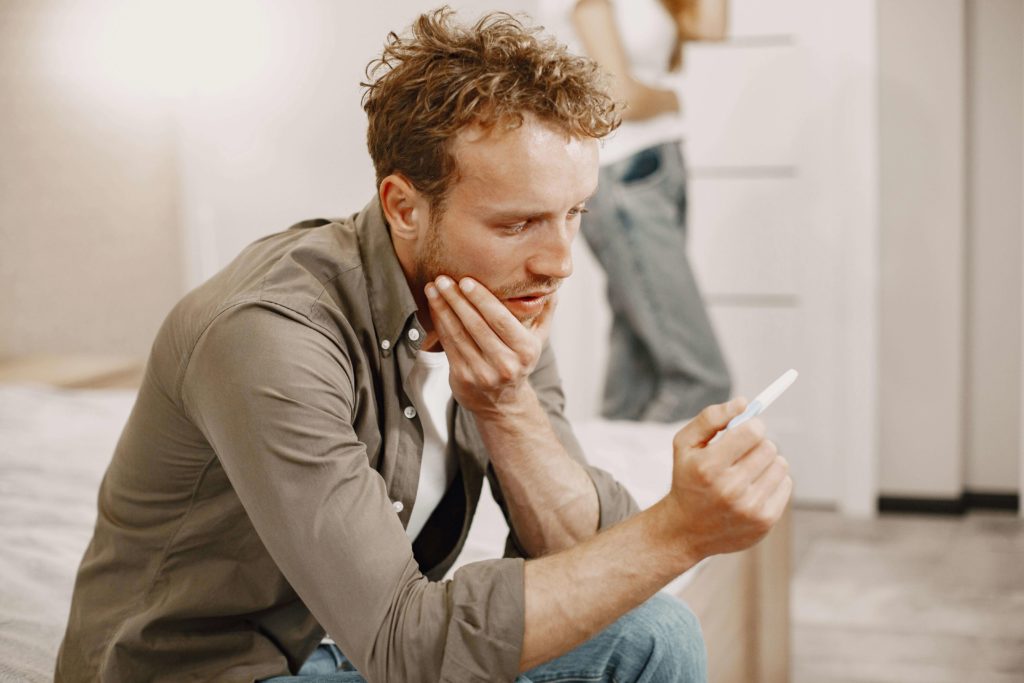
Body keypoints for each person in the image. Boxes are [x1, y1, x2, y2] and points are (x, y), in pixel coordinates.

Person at [54, 8, 792, 683]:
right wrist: (678, 531)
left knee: (654, 633)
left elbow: (577, 550)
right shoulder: (268, 333)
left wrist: (505, 404)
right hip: (222, 668)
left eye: (574, 214)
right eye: (517, 223)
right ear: (403, 206)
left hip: (346, 645)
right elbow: (407, 645)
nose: (560, 261)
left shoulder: (499, 291)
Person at [537, 0, 733, 422]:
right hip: (623, 176)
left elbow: (711, 27)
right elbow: (617, 98)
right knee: (700, 379)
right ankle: (631, 487)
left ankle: (604, 485)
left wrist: (661, 101)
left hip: (661, 168)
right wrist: (675, 99)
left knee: (638, 371)